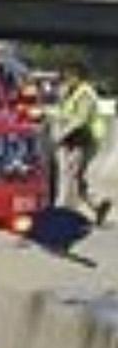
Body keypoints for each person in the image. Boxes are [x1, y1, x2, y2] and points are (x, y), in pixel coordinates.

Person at [53, 60, 111, 225]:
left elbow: (80, 120)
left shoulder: (85, 93)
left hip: (84, 140)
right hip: (76, 139)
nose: (65, 79)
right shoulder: (72, 92)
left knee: (70, 176)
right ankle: (97, 204)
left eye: (68, 76)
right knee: (75, 176)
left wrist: (61, 135)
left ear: (77, 76)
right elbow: (63, 114)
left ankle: (67, 211)